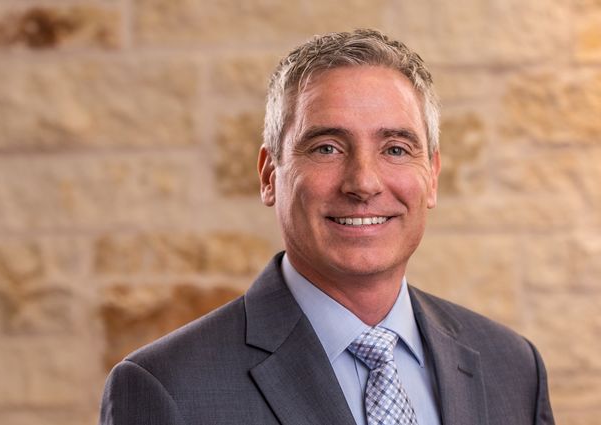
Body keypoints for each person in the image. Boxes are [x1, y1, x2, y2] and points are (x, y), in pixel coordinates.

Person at [99, 29, 554, 425]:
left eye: (395, 149)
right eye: (327, 148)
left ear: (431, 176)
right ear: (268, 175)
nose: (363, 183)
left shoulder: (514, 368)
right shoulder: (167, 388)